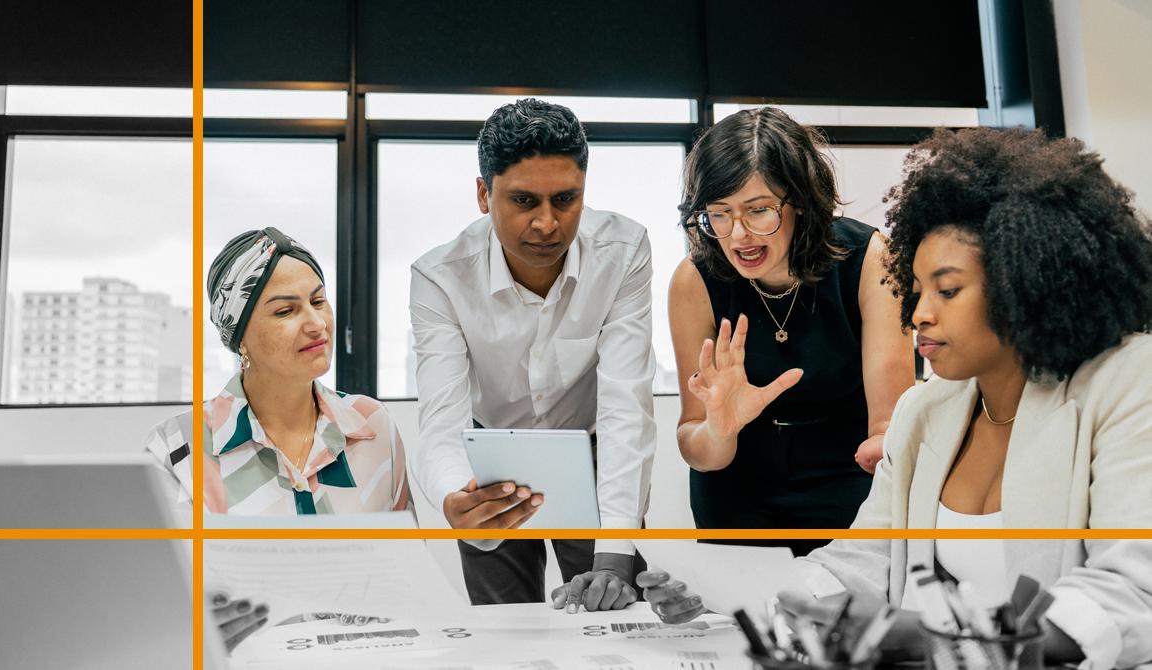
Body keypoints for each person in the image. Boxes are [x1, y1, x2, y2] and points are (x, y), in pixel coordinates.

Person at [641, 127, 1152, 668]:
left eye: (946, 290)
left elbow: (1134, 591)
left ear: (1024, 280)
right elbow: (860, 563)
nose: (917, 315)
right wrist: (734, 602)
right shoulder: (930, 409)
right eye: (916, 290)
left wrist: (946, 640)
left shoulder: (1125, 383)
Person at [409, 98, 656, 610]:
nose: (547, 224)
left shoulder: (625, 251)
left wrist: (615, 551)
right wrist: (458, 496)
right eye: (523, 201)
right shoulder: (439, 277)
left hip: (591, 454)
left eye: (565, 199)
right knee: (505, 633)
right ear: (483, 194)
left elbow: (625, 407)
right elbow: (440, 419)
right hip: (490, 466)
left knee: (614, 622)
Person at [667, 107, 915, 553]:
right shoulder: (694, 280)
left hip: (847, 477)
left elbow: (886, 425)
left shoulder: (868, 260)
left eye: (758, 211)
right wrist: (721, 428)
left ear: (800, 200)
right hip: (736, 489)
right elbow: (695, 443)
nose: (738, 235)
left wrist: (884, 446)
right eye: (719, 214)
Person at [146, 227, 412, 516]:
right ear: (240, 337)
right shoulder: (177, 448)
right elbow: (167, 561)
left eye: (318, 302)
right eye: (286, 311)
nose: (317, 324)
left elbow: (408, 557)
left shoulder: (372, 425)